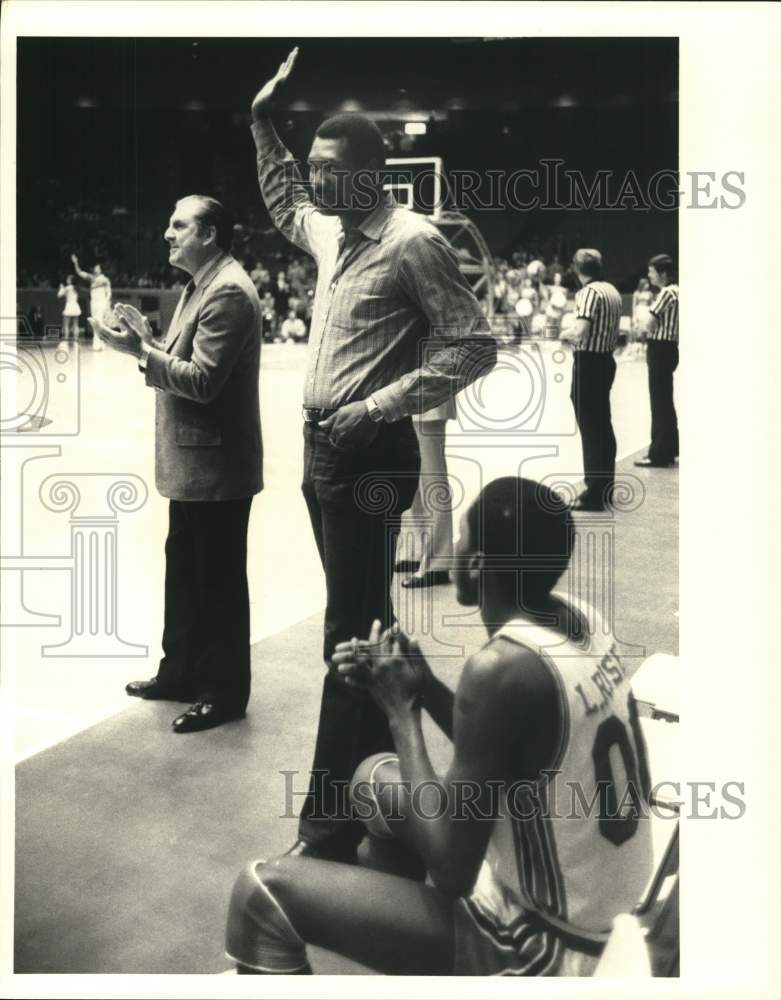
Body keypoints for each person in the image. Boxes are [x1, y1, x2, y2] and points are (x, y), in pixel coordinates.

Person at [225, 476, 653, 976]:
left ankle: (445, 954)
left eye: (462, 538)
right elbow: (512, 746)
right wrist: (423, 683)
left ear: (474, 566)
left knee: (259, 893)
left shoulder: (500, 671)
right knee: (370, 780)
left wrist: (401, 709)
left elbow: (452, 869)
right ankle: (409, 947)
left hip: (548, 947)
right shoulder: (581, 621)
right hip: (606, 906)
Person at [249, 47, 496, 862]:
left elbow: (472, 346)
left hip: (372, 455)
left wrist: (376, 406)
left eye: (329, 169)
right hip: (323, 452)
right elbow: (285, 204)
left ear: (369, 174)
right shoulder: (332, 233)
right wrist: (261, 123)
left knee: (344, 630)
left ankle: (328, 821)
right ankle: (393, 774)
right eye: (313, 167)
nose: (316, 182)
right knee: (365, 618)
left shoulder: (411, 241)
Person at [89, 195, 263, 734]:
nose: (168, 233)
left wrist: (144, 354)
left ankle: (224, 693)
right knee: (186, 572)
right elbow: (186, 359)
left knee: (218, 582)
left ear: (209, 234)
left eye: (178, 225)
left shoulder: (229, 290)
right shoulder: (201, 284)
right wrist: (146, 343)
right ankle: (182, 672)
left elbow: (204, 381)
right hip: (195, 463)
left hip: (215, 466)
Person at [562, 248, 622, 512]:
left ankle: (594, 491)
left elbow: (581, 331)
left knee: (590, 426)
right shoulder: (612, 290)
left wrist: (564, 333)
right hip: (606, 360)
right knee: (603, 425)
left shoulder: (587, 293)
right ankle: (606, 486)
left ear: (577, 269)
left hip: (588, 362)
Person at [398, 398, 456, 589]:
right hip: (404, 400)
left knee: (432, 481)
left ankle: (438, 562)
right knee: (409, 478)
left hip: (427, 399)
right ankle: (415, 552)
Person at [635, 255, 679, 468]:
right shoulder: (677, 291)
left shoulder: (667, 293)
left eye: (652, 271)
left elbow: (649, 323)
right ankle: (670, 448)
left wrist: (642, 321)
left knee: (659, 402)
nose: (649, 275)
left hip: (660, 348)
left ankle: (658, 453)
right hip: (669, 348)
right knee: (665, 400)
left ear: (662, 273)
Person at [71, 255, 112, 351]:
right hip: (94, 302)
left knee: (99, 322)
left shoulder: (105, 279)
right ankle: (100, 343)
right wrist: (75, 262)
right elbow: (79, 272)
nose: (95, 269)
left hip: (101, 302)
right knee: (95, 322)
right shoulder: (91, 278)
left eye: (97, 267)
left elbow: (108, 292)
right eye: (95, 267)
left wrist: (107, 302)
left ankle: (97, 344)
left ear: (101, 269)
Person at [57, 275, 81, 344]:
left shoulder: (67, 288)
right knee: (76, 324)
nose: (67, 279)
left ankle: (66, 339)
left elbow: (59, 295)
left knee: (66, 324)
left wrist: (61, 288)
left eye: (68, 278)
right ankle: (76, 339)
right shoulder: (77, 288)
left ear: (71, 280)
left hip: (69, 306)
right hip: (76, 306)